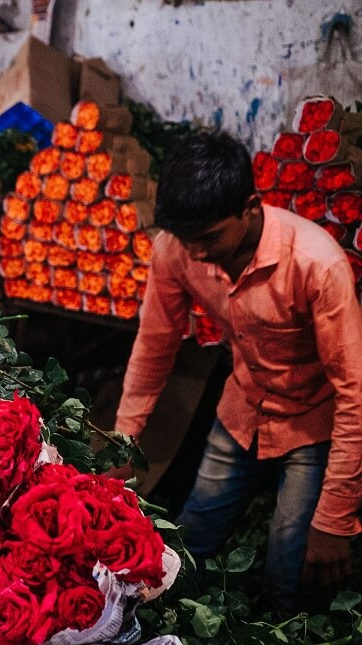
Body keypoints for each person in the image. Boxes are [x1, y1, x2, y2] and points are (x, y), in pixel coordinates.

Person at [114, 131, 362, 612]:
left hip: (313, 422)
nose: (198, 254)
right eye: (188, 241)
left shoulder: (316, 263)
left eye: (208, 239)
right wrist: (126, 442)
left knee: (290, 569)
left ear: (250, 207)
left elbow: (355, 392)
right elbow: (154, 346)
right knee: (185, 548)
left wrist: (334, 519)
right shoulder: (177, 249)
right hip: (242, 408)